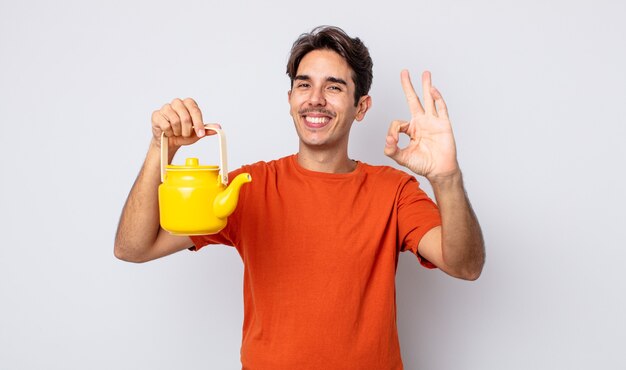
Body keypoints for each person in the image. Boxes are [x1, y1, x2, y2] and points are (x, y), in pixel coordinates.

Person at [115, 25, 485, 370]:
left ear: (362, 107)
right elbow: (134, 247)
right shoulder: (248, 187)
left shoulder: (394, 191)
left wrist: (446, 178)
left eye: (335, 87)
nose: (316, 100)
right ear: (290, 98)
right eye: (304, 85)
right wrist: (159, 150)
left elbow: (465, 265)